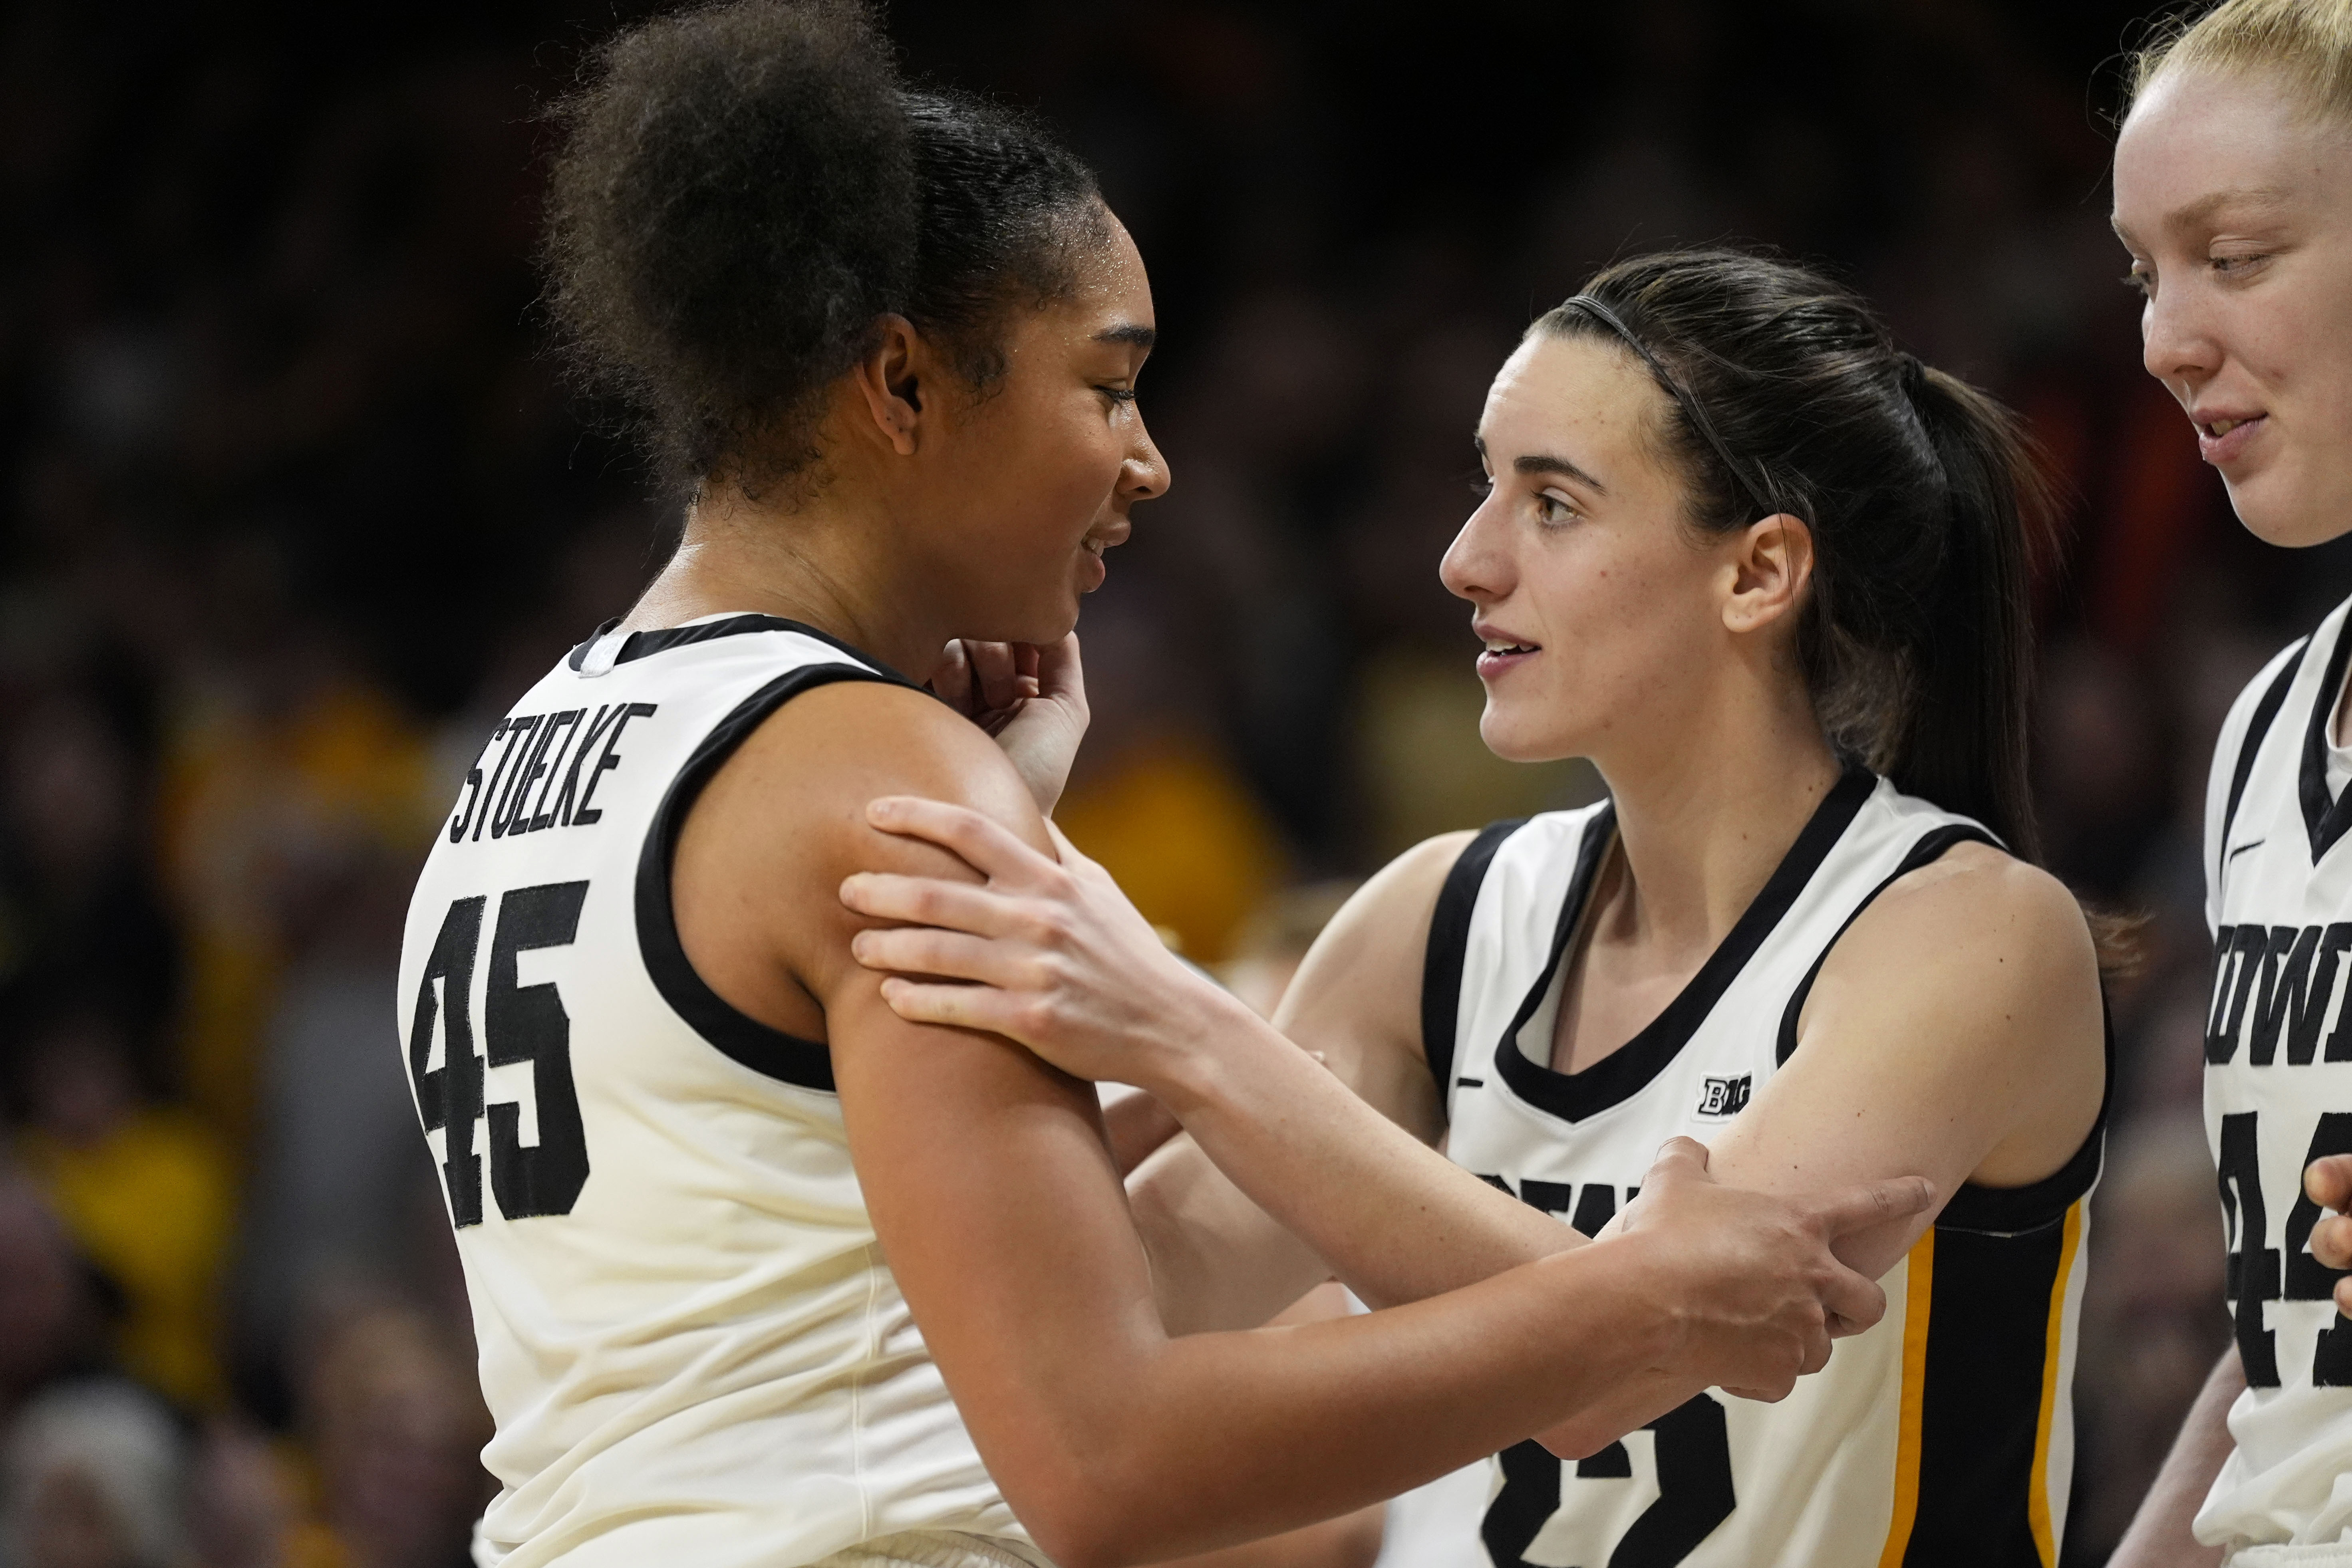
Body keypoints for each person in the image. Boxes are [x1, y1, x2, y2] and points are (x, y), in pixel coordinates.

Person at [395, 6, 1928, 1568]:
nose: (1150, 463)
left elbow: (792, 1266)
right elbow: (1104, 1463)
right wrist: (1627, 1302)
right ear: (903, 387)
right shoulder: (875, 776)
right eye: (1108, 387)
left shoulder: (523, 757)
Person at [841, 249, 2113, 1565]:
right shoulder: (1431, 924)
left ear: (1757, 573)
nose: (1465, 560)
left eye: (1553, 504)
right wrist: (995, 824)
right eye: (1484, 486)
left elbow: (1643, 1368)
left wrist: (1183, 1028)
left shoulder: (1966, 931)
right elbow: (1134, 1310)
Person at [2108, 3, 2352, 1563]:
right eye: (2142, 271)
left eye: (2232, 256)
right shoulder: (2269, 723)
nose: (2160, 336)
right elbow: (2286, 1338)